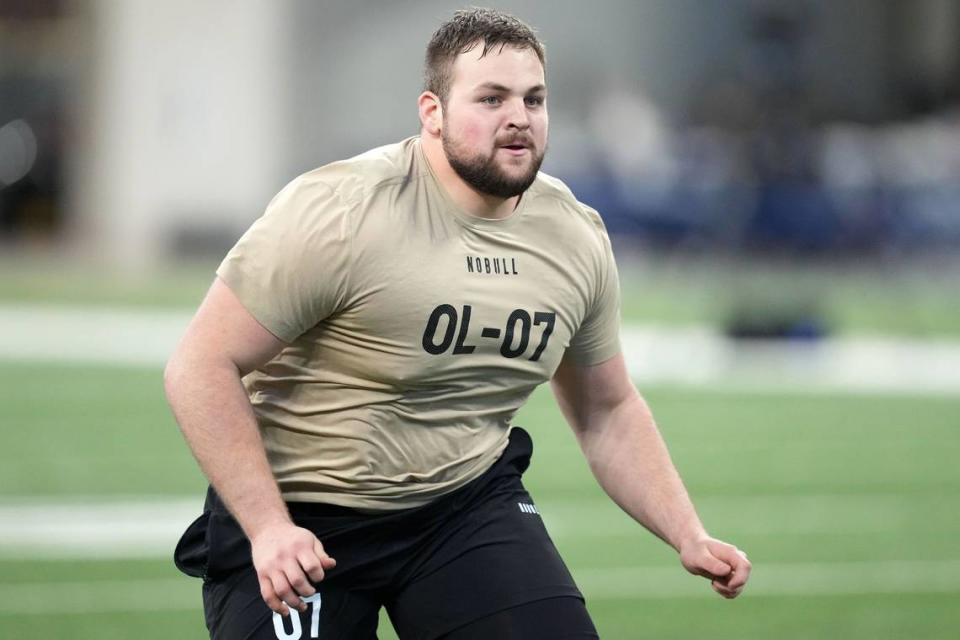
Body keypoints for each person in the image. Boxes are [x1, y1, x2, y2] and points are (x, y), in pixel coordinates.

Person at [165, 8, 751, 639]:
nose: (518, 117)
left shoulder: (574, 237)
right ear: (432, 112)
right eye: (491, 98)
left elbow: (606, 409)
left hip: (461, 506)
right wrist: (268, 527)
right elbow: (199, 365)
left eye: (534, 98)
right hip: (303, 513)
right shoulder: (341, 210)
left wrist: (686, 532)